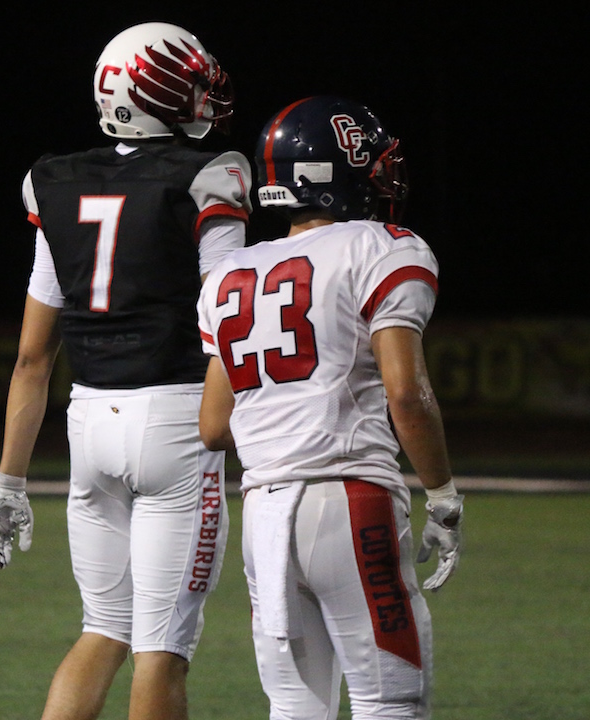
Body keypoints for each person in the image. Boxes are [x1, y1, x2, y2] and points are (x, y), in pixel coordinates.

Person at [0, 21, 252, 720]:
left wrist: (9, 479)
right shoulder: (210, 175)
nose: (205, 94)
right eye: (192, 81)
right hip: (177, 423)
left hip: (90, 423)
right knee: (162, 651)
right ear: (156, 91)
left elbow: (33, 357)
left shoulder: (53, 180)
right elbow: (229, 323)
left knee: (102, 630)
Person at [196, 95, 464, 719]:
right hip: (349, 499)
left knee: (296, 709)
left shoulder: (231, 272)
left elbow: (212, 426)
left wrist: (284, 409)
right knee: (391, 703)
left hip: (264, 514)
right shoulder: (381, 246)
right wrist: (443, 495)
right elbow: (407, 394)